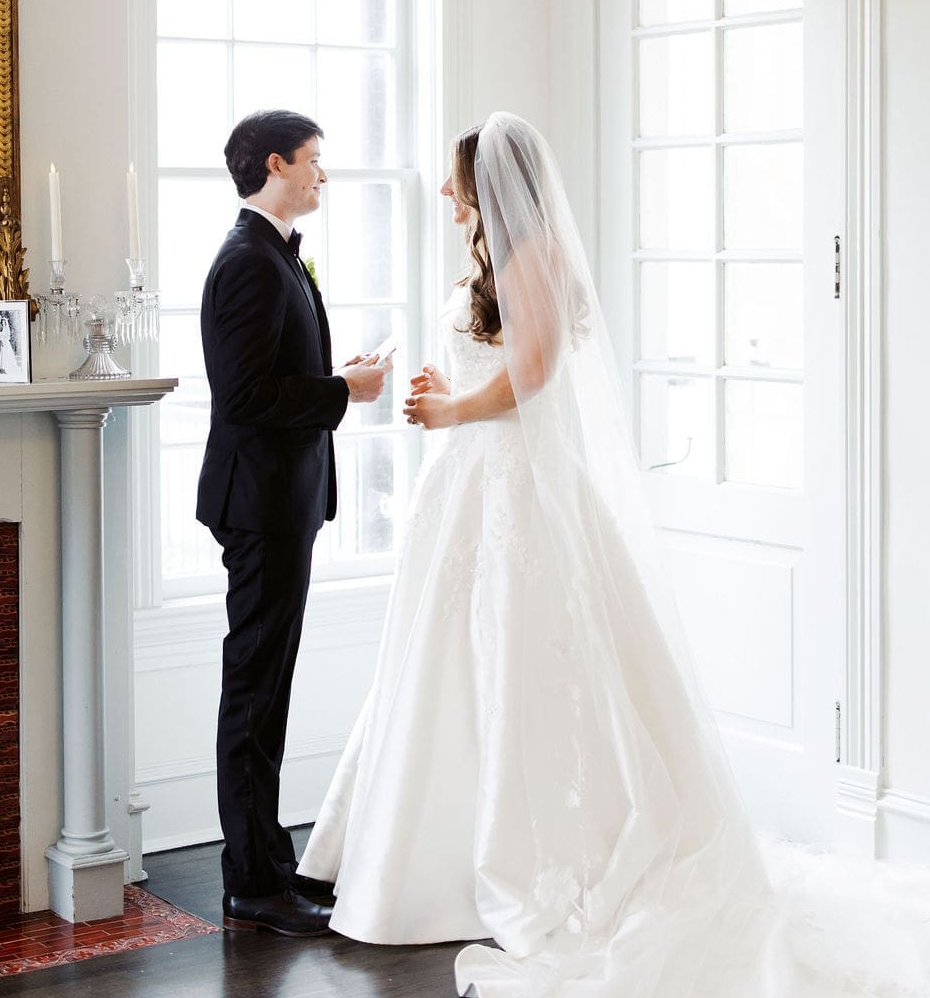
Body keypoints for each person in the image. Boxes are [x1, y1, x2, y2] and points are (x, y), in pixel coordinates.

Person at [300, 113, 930, 997]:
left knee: (527, 659)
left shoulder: (535, 258)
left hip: (516, 485)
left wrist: (452, 411)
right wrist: (450, 393)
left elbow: (537, 371)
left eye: (454, 179)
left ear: (488, 185)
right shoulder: (494, 260)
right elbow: (502, 361)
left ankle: (539, 857)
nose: (444, 192)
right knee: (455, 664)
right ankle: (423, 852)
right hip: (472, 483)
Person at [197, 109, 390, 940]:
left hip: (283, 501)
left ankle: (271, 864)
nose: (323, 175)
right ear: (275, 164)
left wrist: (335, 378)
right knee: (253, 689)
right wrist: (345, 391)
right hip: (260, 505)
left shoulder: (277, 254)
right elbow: (242, 398)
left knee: (268, 686)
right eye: (315, 160)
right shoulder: (247, 262)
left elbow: (275, 376)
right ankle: (249, 882)